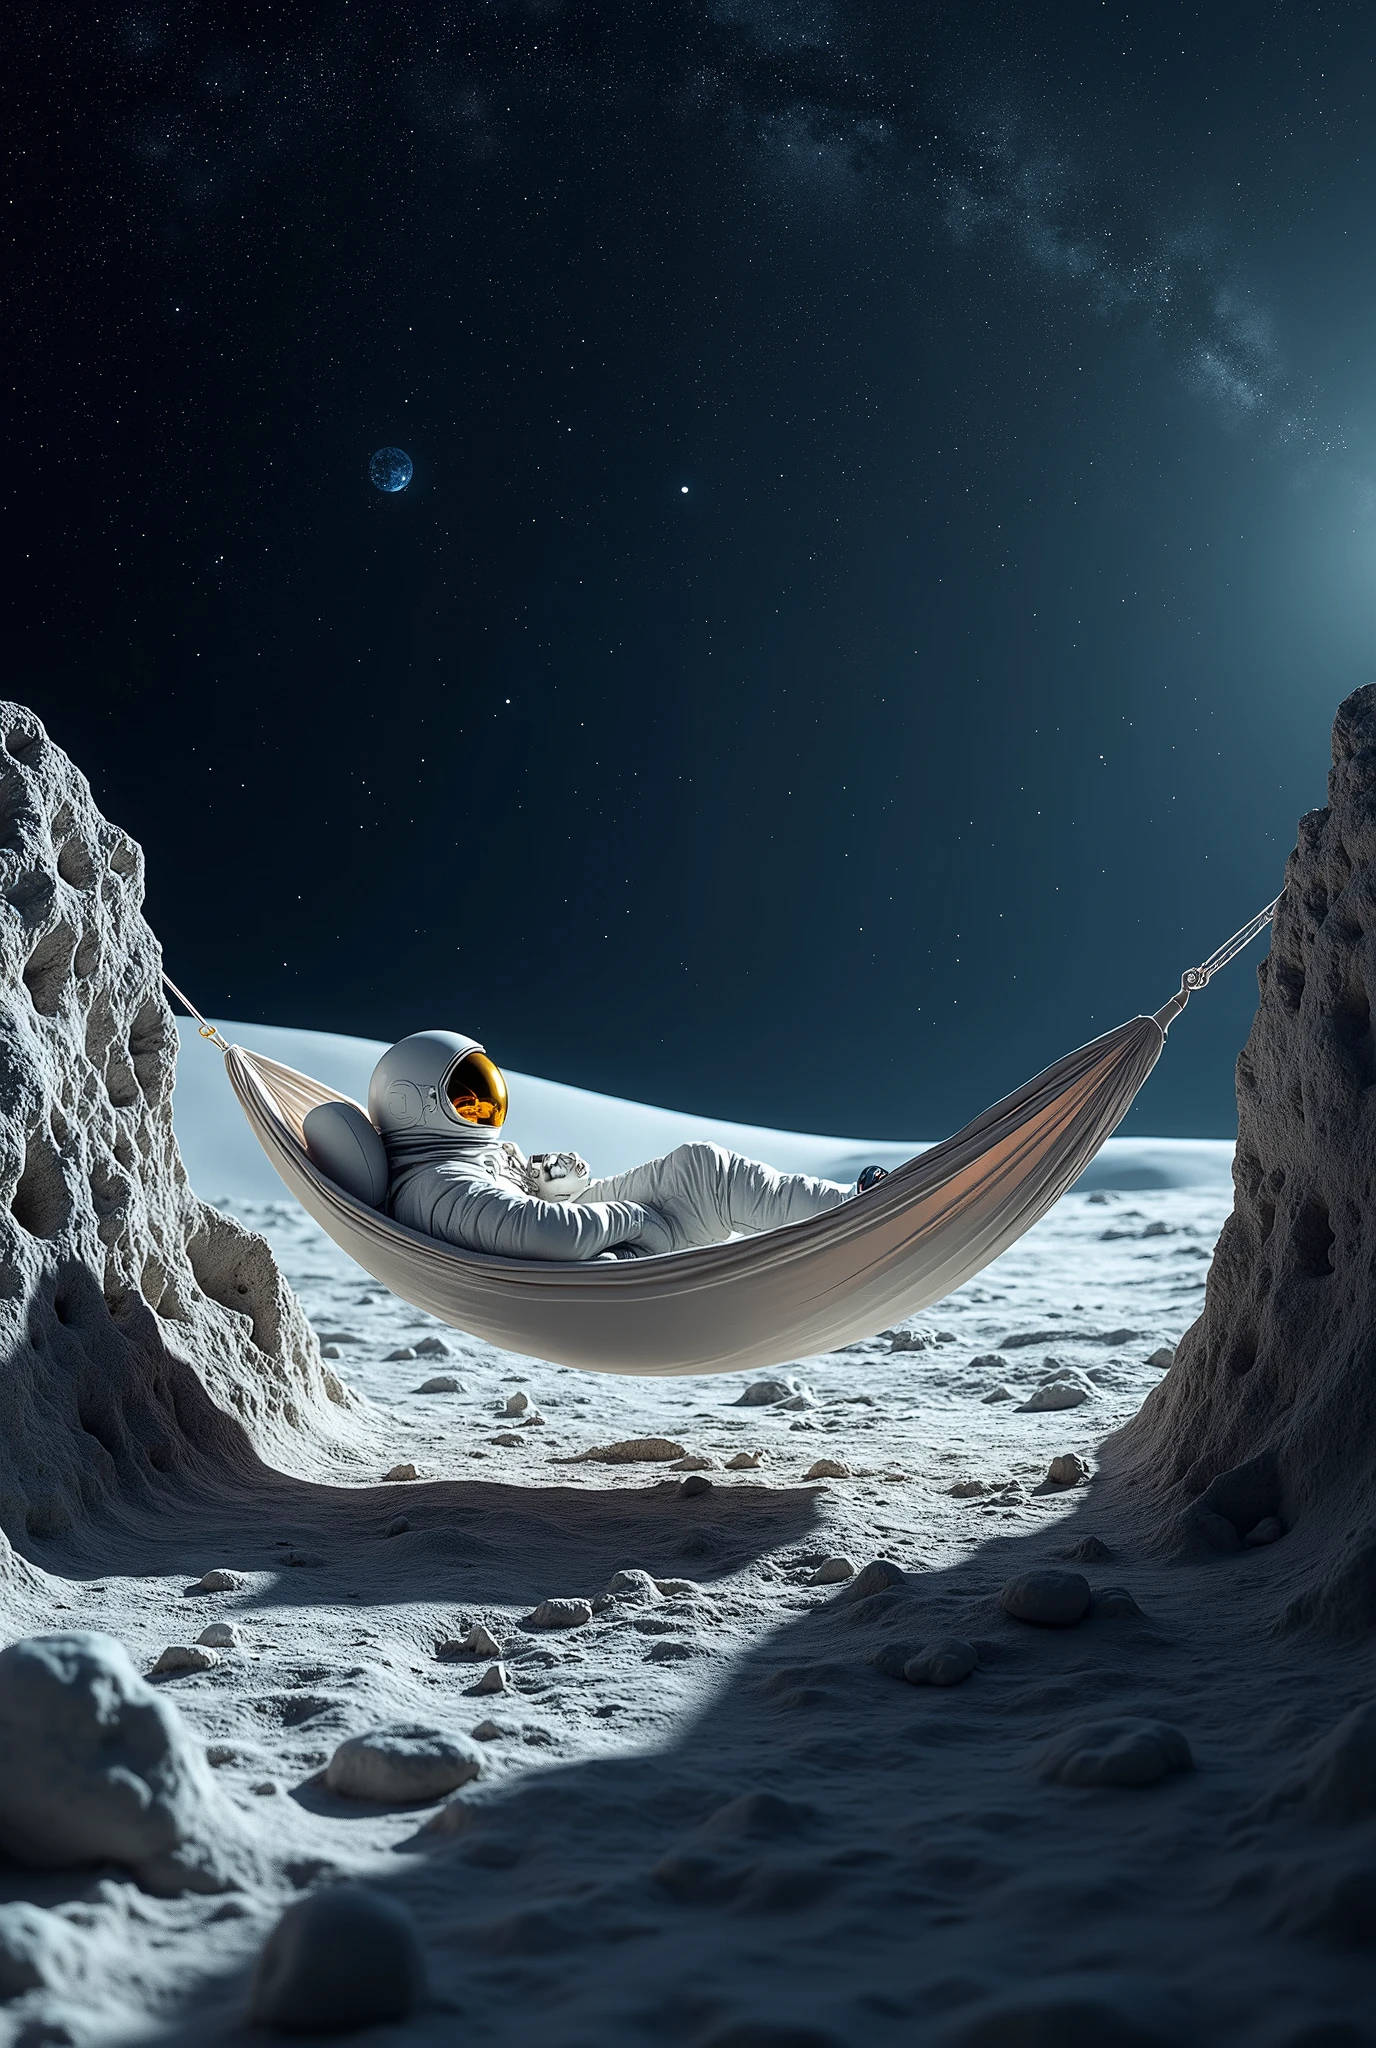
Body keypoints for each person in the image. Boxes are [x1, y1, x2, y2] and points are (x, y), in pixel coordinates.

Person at [368, 1029, 888, 1262]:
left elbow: (517, 1212)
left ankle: (848, 1204)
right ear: (413, 1104)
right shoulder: (434, 1186)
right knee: (702, 1178)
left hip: (601, 1237)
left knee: (700, 1167)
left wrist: (552, 1184)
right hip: (606, 1260)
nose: (483, 1108)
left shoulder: (455, 1164)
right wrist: (637, 1218)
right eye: (466, 1098)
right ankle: (848, 1218)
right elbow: (547, 1233)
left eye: (484, 1094)